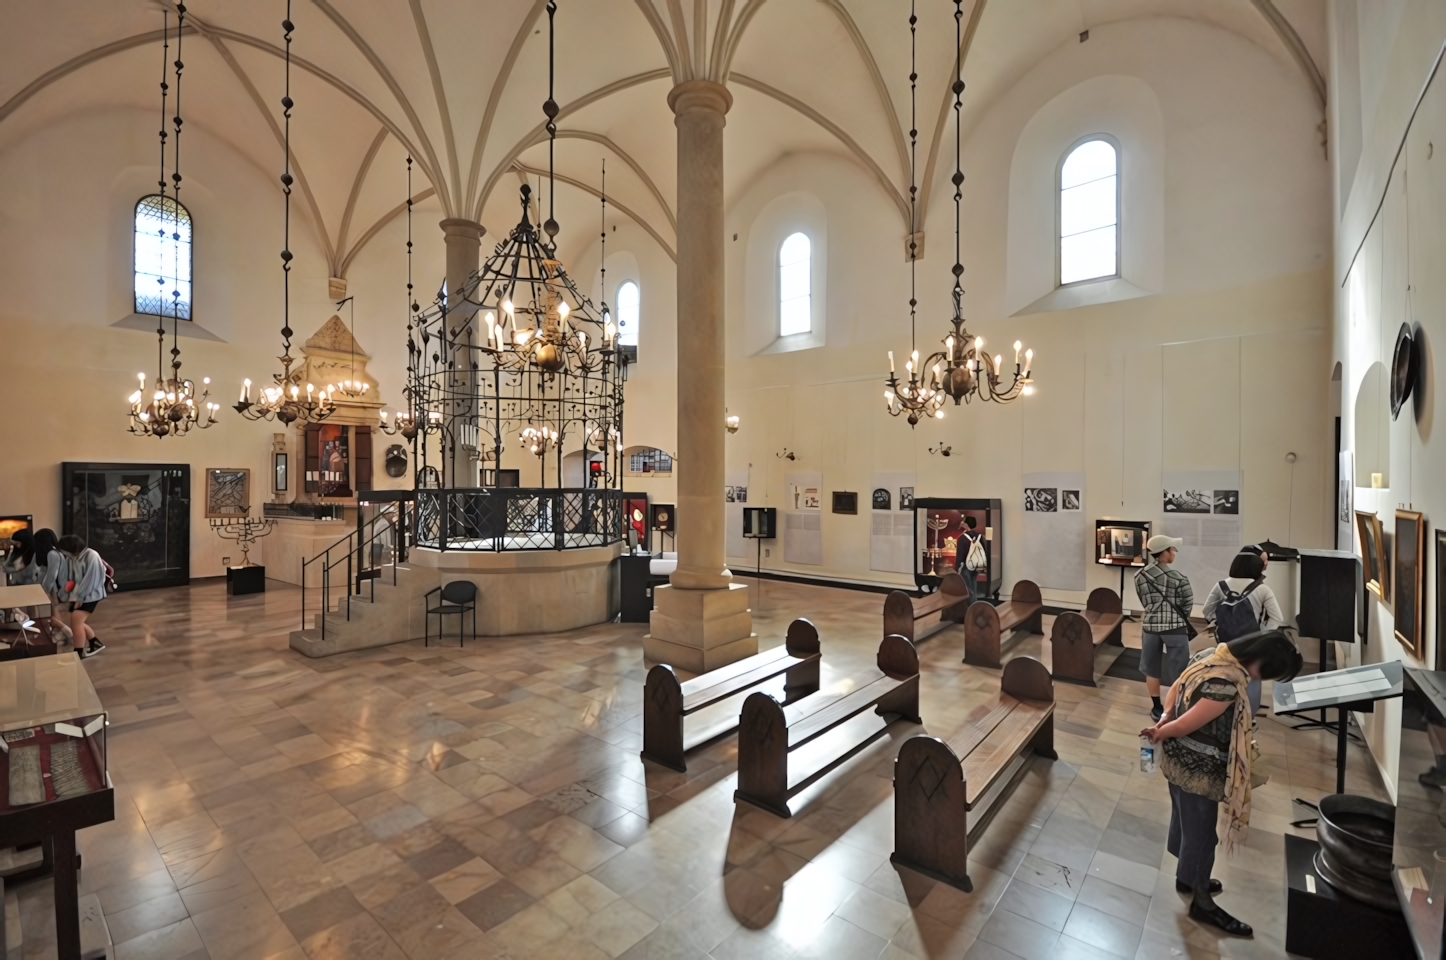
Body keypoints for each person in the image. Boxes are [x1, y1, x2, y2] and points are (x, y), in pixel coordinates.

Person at [1142, 630, 1302, 937]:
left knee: (1183, 821)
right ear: (1260, 661)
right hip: (1198, 769)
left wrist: (1165, 717)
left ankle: (1187, 877)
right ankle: (1201, 901)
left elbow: (1175, 686)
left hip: (1177, 761)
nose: (1260, 680)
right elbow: (1194, 722)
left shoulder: (1211, 655)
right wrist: (1164, 730)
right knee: (1202, 836)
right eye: (1266, 674)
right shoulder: (1225, 681)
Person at [1203, 550, 1286, 715]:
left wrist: (1223, 623)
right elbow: (1277, 618)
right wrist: (1262, 635)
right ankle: (1249, 716)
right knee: (1252, 678)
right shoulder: (1263, 590)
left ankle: (1224, 710)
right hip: (1252, 643)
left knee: (1225, 674)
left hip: (1225, 642)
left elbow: (1207, 611)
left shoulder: (1221, 586)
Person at [1136, 534, 1195, 721]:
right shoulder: (1179, 578)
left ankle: (1156, 707)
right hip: (1175, 628)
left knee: (1151, 668)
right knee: (1179, 669)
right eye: (1173, 550)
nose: (1174, 553)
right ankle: (1173, 708)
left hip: (1150, 627)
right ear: (1165, 552)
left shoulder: (1140, 575)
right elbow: (1187, 606)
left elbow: (1144, 601)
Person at [56, 534, 106, 658]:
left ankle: (78, 653)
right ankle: (95, 643)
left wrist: (80, 598)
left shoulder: (92, 556)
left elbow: (91, 581)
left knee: (76, 621)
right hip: (79, 594)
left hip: (91, 594)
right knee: (77, 622)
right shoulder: (73, 557)